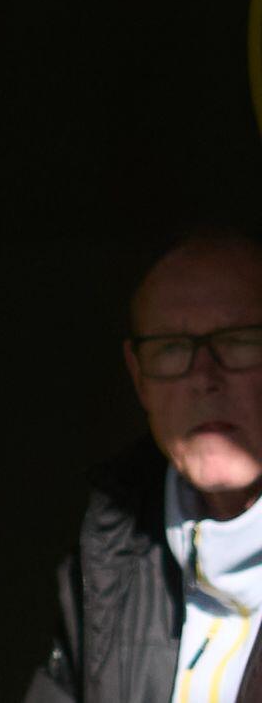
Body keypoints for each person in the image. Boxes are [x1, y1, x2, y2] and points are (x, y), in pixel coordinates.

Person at [27, 228, 262, 703]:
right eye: (172, 348)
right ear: (139, 378)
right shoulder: (110, 552)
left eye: (239, 341)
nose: (204, 377)